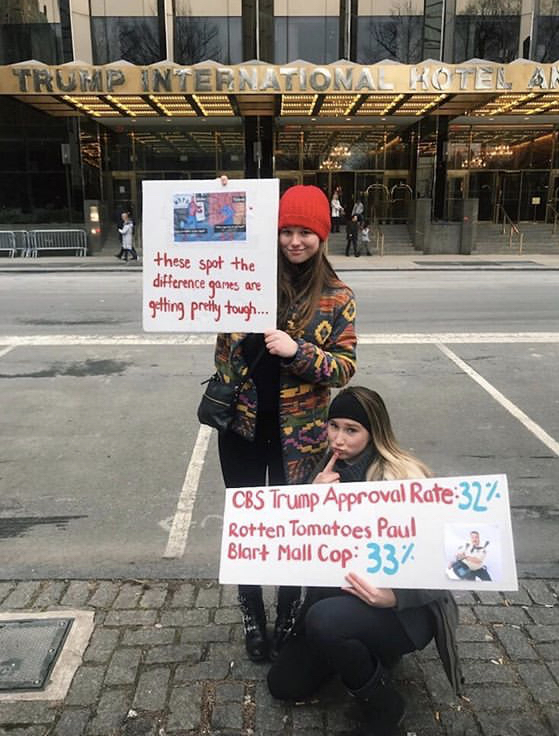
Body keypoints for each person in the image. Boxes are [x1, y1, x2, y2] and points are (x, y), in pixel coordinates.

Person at [212, 184, 357, 663]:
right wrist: (224, 201)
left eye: (305, 233)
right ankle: (252, 615)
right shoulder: (244, 277)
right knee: (250, 527)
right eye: (286, 231)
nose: (295, 241)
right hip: (244, 428)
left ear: (322, 236)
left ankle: (289, 614)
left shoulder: (337, 297)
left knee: (295, 527)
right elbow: (205, 253)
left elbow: (344, 368)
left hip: (303, 436)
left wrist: (301, 354)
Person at [267, 387, 463, 736]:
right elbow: (305, 549)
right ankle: (361, 653)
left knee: (325, 622)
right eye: (334, 426)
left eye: (352, 430)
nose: (339, 439)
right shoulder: (324, 469)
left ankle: (386, 709)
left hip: (406, 610)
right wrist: (313, 499)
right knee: (284, 685)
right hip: (343, 597)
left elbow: (450, 562)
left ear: (374, 432)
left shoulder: (403, 476)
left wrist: (396, 596)